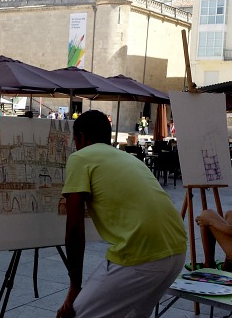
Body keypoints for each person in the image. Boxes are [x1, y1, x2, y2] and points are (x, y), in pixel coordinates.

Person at [57, 110, 187, 318]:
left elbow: (74, 227)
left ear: (80, 138)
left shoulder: (80, 158)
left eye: (76, 141)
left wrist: (75, 286)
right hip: (177, 250)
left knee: (77, 314)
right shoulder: (127, 158)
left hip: (142, 252)